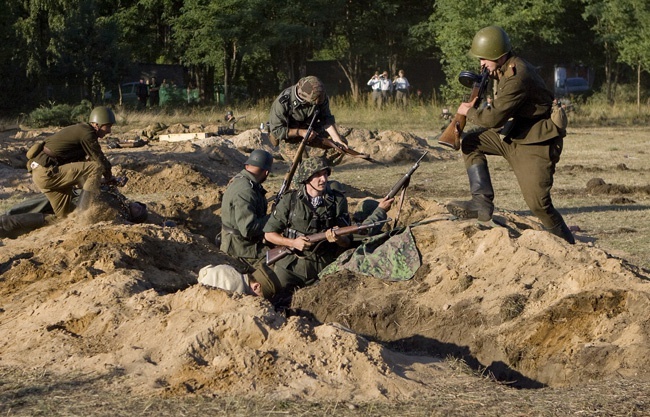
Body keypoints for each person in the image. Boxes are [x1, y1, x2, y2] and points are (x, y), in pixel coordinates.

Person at [445, 25, 574, 244]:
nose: (481, 64)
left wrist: (469, 111)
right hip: (512, 134)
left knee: (538, 205)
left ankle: (569, 248)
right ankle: (481, 203)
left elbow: (493, 119)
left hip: (536, 142)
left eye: (485, 58)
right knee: (471, 142)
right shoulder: (502, 69)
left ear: (500, 55)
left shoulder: (517, 75)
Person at [263, 157, 393, 296]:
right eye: (318, 175)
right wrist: (292, 242)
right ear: (306, 178)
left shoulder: (337, 200)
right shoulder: (290, 200)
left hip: (323, 268)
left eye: (325, 174)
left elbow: (347, 241)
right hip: (290, 267)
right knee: (277, 300)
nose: (323, 179)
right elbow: (269, 234)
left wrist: (338, 239)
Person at [27, 106, 116, 219]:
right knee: (96, 167)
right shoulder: (87, 133)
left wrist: (102, 181)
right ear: (96, 124)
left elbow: (81, 177)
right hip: (48, 172)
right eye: (108, 126)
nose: (109, 131)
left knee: (64, 218)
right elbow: (99, 159)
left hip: (41, 174)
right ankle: (84, 212)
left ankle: (14, 226)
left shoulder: (80, 132)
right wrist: (108, 176)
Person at [268, 76, 349, 165]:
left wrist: (336, 140)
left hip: (311, 131)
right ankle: (309, 170)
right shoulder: (283, 102)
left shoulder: (320, 96)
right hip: (289, 137)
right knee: (303, 164)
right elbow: (276, 130)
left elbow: (326, 119)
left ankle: (320, 167)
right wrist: (301, 132)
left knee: (341, 144)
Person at [220, 149, 274, 265]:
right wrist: (273, 218)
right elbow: (248, 229)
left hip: (239, 244)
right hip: (241, 250)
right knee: (281, 266)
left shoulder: (242, 180)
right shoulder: (246, 190)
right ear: (266, 173)